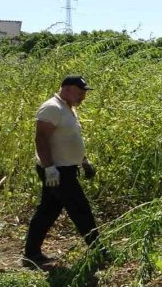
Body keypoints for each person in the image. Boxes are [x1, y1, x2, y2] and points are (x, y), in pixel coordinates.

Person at [22, 75, 104, 269]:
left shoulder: (68, 108)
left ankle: (31, 254)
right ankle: (98, 250)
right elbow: (41, 139)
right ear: (67, 89)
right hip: (58, 170)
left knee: (48, 211)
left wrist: (84, 162)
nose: (83, 95)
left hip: (66, 168)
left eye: (85, 91)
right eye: (80, 91)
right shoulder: (52, 108)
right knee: (80, 208)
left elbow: (69, 139)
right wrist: (49, 168)